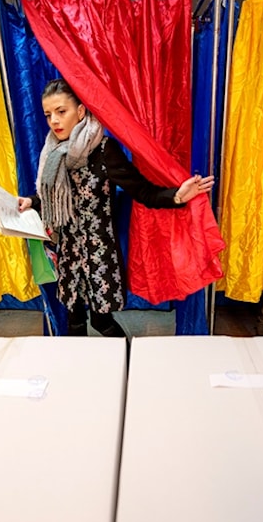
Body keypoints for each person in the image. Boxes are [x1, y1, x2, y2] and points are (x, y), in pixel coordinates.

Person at [19, 78, 214, 337]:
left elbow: (142, 190)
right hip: (68, 253)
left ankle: (126, 370)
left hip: (99, 255)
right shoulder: (53, 152)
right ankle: (81, 374)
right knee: (74, 322)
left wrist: (177, 196)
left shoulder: (104, 149)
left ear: (80, 111)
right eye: (48, 115)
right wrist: (31, 201)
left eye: (61, 112)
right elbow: (51, 195)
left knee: (102, 322)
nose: (54, 120)